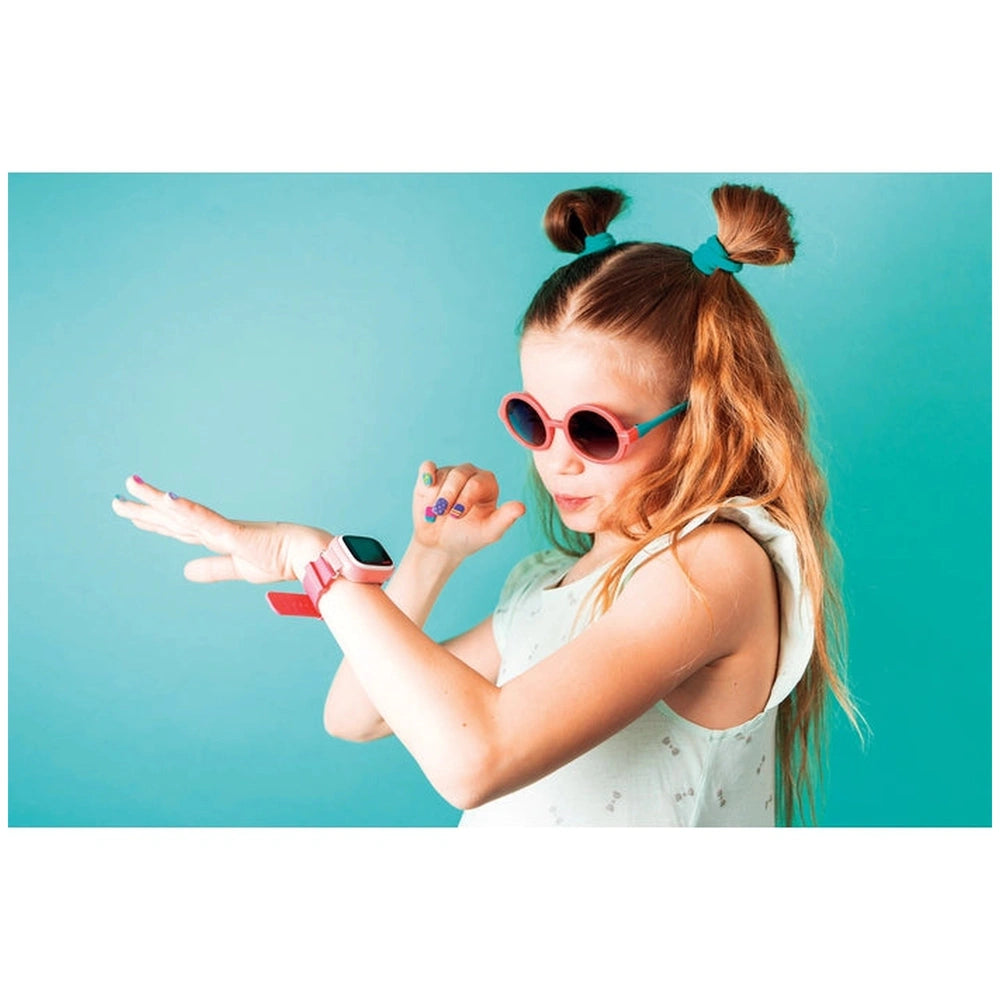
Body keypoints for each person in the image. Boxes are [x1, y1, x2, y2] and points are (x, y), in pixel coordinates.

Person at [112, 183, 862, 826]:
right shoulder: (549, 584)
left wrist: (309, 558)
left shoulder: (713, 563)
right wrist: (429, 557)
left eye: (594, 430)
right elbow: (357, 713)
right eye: (533, 420)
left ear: (702, 419)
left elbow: (476, 759)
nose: (555, 458)